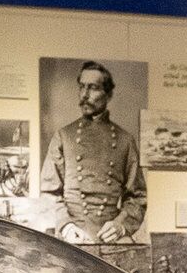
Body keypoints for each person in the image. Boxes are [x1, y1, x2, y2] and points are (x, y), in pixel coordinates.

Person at [40, 60, 145, 243]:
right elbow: (49, 193)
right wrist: (66, 226)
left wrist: (120, 226)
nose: (85, 95)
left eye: (93, 88)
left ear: (108, 94)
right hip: (71, 240)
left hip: (110, 240)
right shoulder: (64, 136)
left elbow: (137, 198)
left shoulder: (125, 141)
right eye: (82, 87)